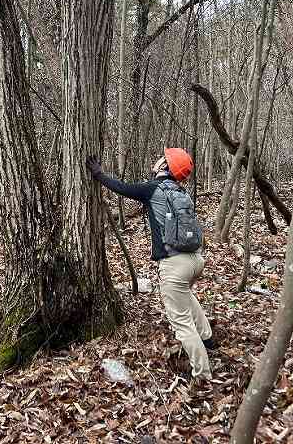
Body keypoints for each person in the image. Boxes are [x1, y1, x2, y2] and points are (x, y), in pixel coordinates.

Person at [86, 148, 216, 383]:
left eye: (162, 159)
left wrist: (99, 174)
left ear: (166, 167)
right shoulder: (182, 193)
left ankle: (203, 375)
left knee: (181, 322)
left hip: (174, 264)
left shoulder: (152, 188)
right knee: (187, 296)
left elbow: (122, 188)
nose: (156, 160)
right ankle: (208, 339)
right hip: (196, 260)